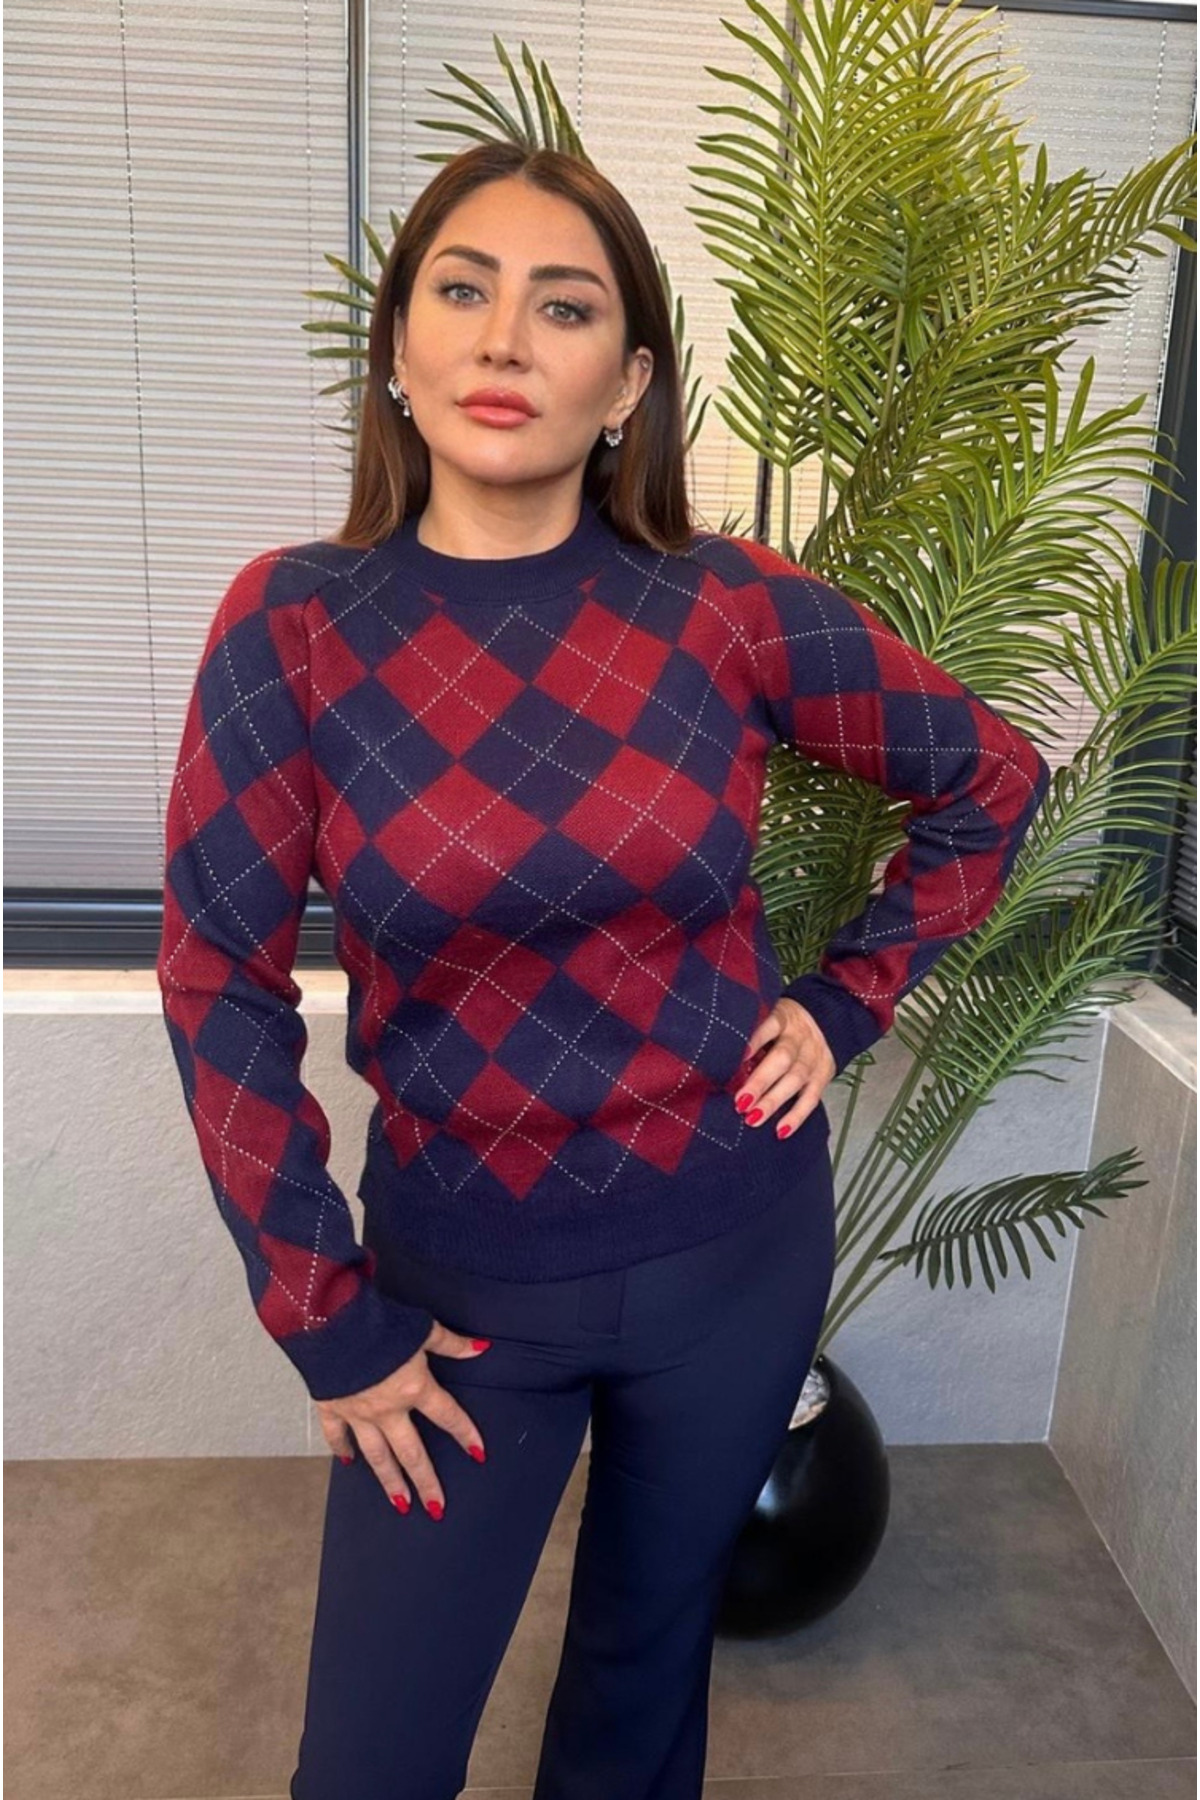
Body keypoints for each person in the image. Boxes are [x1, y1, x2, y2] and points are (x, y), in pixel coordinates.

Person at [155, 141, 1052, 1800]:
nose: (505, 340)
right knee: (368, 1763)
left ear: (628, 382)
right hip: (456, 1299)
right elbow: (218, 980)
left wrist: (847, 1001)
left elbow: (990, 779)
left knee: (639, 1706)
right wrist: (324, 1314)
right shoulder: (297, 625)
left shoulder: (725, 606)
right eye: (462, 291)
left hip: (736, 1250)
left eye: (564, 308)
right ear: (400, 348)